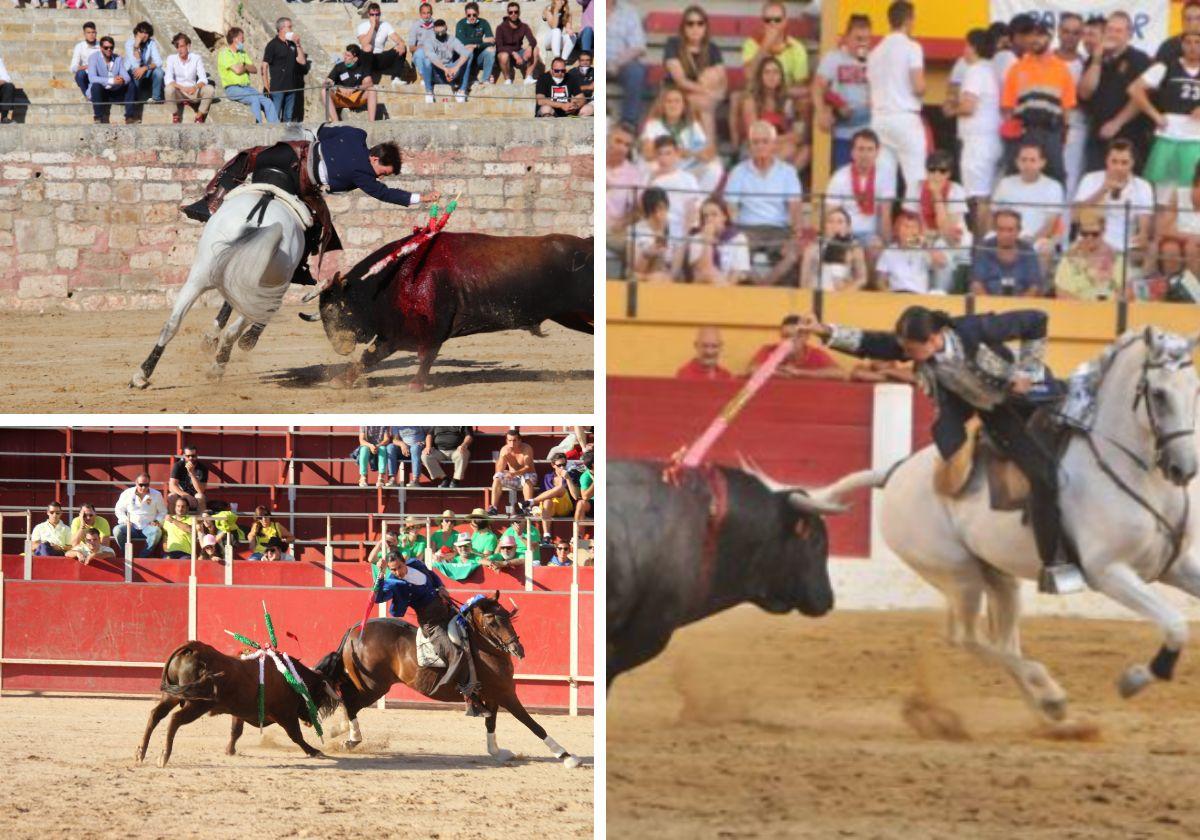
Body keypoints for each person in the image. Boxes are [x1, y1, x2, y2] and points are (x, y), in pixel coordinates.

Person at [805, 305, 1074, 593]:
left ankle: (1059, 554)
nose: (907, 355)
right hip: (997, 416)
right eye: (904, 348)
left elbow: (1036, 320)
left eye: (912, 348)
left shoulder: (974, 329)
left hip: (1030, 399)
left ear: (935, 338)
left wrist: (1028, 373)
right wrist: (826, 331)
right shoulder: (917, 348)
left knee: (1059, 455)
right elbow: (870, 342)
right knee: (1038, 474)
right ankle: (1052, 563)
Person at [373, 550, 484, 714]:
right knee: (455, 654)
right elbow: (378, 597)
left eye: (399, 567)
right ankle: (467, 695)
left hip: (448, 610)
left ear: (404, 561)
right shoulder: (394, 582)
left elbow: (432, 575)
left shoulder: (415, 564)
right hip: (432, 624)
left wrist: (441, 587)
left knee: (474, 636)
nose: (397, 572)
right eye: (393, 569)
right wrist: (381, 574)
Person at [999, 18, 1075, 183]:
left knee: (1056, 174)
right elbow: (1008, 107)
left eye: (1040, 35)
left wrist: (1064, 133)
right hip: (1024, 131)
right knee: (1016, 175)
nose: (1035, 39)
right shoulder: (1017, 68)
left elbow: (1067, 107)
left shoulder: (1061, 69)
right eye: (1032, 35)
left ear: (1049, 37)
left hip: (1052, 131)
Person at [1077, 12, 1153, 172]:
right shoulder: (1094, 58)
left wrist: (1117, 123)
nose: (1112, 34)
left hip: (1130, 134)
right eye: (1109, 29)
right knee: (1095, 182)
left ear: (1129, 34)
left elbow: (1143, 97)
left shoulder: (1139, 59)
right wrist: (1097, 59)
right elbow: (1085, 93)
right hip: (1097, 134)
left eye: (1118, 31)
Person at [1128, 30, 1200, 195]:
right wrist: (1155, 115)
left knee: (1191, 196)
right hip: (1168, 137)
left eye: (1197, 42)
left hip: (1196, 140)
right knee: (1163, 196)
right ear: (1182, 45)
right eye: (1188, 42)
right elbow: (1134, 89)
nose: (1193, 47)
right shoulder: (1166, 66)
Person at [866, 0, 926, 194]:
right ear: (908, 20)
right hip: (904, 118)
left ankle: (882, 223)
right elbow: (918, 86)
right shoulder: (912, 47)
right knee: (915, 180)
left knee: (883, 182)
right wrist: (924, 90)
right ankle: (913, 223)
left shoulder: (874, 53)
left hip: (879, 119)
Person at [723, 120, 803, 260]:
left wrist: (793, 234)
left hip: (779, 229)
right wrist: (737, 231)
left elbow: (795, 207)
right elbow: (731, 207)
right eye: (756, 142)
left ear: (774, 145)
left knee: (791, 254)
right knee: (735, 251)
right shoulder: (738, 171)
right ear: (750, 146)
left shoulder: (788, 172)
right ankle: (758, 281)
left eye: (765, 142)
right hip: (747, 227)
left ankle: (764, 281)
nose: (760, 146)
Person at [904, 149, 973, 290]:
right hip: (922, 239)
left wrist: (937, 196)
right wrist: (929, 248)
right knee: (909, 248)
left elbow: (949, 236)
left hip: (954, 241)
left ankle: (939, 296)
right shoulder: (915, 187)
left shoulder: (956, 190)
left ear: (949, 173)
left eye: (942, 171)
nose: (936, 175)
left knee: (943, 256)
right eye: (932, 170)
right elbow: (909, 229)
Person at [1074, 139, 1154, 257]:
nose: (1118, 167)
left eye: (1124, 162)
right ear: (1107, 160)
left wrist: (1142, 237)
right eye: (1114, 162)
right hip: (1092, 240)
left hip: (1126, 245)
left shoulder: (1143, 186)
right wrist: (1103, 190)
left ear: (1132, 163)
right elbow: (1075, 217)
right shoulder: (1090, 179)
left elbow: (1144, 226)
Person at [813, 14, 873, 170]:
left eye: (866, 39)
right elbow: (817, 87)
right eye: (858, 39)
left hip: (869, 129)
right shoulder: (834, 58)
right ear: (846, 37)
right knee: (843, 177)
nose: (863, 44)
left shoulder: (874, 59)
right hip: (843, 129)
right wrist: (821, 112)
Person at [952, 29, 1002, 208]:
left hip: (977, 143)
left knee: (977, 199)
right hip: (990, 140)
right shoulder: (991, 70)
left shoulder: (974, 71)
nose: (964, 49)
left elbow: (968, 107)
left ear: (974, 47)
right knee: (986, 197)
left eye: (966, 45)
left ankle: (979, 237)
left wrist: (951, 110)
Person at [988, 142, 1065, 260]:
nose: (1027, 164)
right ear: (1017, 162)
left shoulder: (1053, 187)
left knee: (1044, 248)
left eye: (1032, 160)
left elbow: (1051, 223)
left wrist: (1029, 241)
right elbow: (993, 215)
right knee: (986, 245)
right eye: (1023, 160)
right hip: (1005, 235)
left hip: (1037, 238)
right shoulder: (1005, 183)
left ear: (1042, 163)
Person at [824, 127, 896, 249]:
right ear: (852, 152)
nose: (865, 154)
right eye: (861, 149)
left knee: (876, 247)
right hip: (844, 233)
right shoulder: (839, 176)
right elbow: (830, 214)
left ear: (877, 152)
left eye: (870, 149)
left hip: (870, 234)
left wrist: (887, 246)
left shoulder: (885, 175)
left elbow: (885, 215)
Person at [641, 87, 723, 194]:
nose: (673, 105)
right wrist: (670, 154)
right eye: (669, 101)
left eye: (677, 101)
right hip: (663, 167)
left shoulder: (693, 126)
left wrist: (690, 153)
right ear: (663, 106)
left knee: (715, 168)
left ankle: (698, 204)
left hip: (688, 168)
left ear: (684, 106)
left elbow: (708, 154)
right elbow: (647, 154)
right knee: (651, 166)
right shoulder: (653, 125)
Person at [663, 5, 727, 137]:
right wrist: (708, 92)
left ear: (705, 27)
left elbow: (722, 79)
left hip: (705, 95)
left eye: (700, 23)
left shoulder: (712, 48)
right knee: (701, 103)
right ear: (683, 27)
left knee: (705, 98)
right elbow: (680, 80)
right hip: (677, 91)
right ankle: (707, 150)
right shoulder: (673, 44)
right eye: (690, 24)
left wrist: (718, 94)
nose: (695, 28)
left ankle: (704, 148)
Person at [737, 56, 807, 171]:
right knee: (790, 148)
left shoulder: (783, 96)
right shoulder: (750, 100)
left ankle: (780, 183)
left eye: (776, 72)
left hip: (777, 145)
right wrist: (789, 137)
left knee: (806, 151)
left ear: (781, 77)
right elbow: (755, 137)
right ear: (760, 76)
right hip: (754, 147)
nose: (772, 77)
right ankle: (764, 181)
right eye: (767, 72)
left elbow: (807, 91)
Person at [970, 209, 1044, 296]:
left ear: (1018, 230)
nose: (1005, 234)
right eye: (1001, 229)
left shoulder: (1027, 250)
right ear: (995, 230)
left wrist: (1020, 305)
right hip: (989, 304)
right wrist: (990, 304)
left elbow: (1035, 286)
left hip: (1022, 305)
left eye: (1010, 230)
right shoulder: (984, 249)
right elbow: (976, 284)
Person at [1054, 209, 1124, 300]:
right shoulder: (1070, 258)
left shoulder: (1117, 256)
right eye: (1084, 234)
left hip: (1110, 309)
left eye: (1095, 234)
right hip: (1078, 310)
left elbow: (1126, 289)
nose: (1089, 238)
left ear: (1103, 231)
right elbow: (1061, 292)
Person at [745, 315, 842, 379]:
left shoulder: (815, 353)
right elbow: (752, 369)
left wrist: (800, 373)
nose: (790, 341)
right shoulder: (769, 350)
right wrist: (781, 374)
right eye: (786, 336)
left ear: (806, 336)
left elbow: (839, 373)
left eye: (797, 337)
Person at [741, 1, 809, 94]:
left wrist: (779, 92)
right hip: (758, 95)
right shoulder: (751, 43)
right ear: (762, 21)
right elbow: (749, 75)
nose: (772, 23)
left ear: (785, 21)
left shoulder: (796, 47)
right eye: (767, 20)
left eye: (777, 19)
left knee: (803, 102)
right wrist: (765, 45)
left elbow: (800, 84)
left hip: (786, 95)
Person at [1056, 13, 1089, 199]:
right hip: (1046, 126)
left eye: (1076, 32)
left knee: (1070, 179)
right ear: (1058, 32)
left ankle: (1065, 228)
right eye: (1066, 31)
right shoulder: (1045, 60)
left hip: (1075, 126)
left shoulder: (1085, 63)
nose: (1070, 36)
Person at [647, 136, 700, 250]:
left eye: (668, 153)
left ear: (677, 154)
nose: (663, 158)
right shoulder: (650, 178)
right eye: (660, 154)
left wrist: (684, 236)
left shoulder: (688, 178)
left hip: (681, 228)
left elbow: (691, 210)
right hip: (657, 228)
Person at [684, 196, 751, 285]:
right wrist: (707, 241)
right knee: (709, 273)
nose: (709, 219)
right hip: (702, 288)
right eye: (705, 216)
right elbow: (704, 269)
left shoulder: (738, 238)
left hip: (728, 289)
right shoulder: (697, 238)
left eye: (714, 214)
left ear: (724, 216)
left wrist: (725, 289)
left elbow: (737, 273)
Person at [875, 210, 945, 293]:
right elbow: (880, 281)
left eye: (914, 227)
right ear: (897, 229)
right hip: (896, 295)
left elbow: (942, 263)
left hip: (919, 296)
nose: (909, 231)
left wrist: (926, 246)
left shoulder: (923, 250)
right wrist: (889, 295)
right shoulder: (889, 252)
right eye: (906, 226)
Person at [800, 207, 868, 291]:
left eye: (840, 222)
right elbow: (803, 282)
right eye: (830, 221)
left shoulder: (855, 249)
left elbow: (862, 279)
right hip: (817, 293)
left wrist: (844, 294)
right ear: (824, 226)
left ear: (848, 227)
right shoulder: (812, 248)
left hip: (844, 294)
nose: (834, 225)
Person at [218, 27, 277, 124]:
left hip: (247, 88)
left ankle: (276, 127)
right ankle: (258, 127)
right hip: (232, 88)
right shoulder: (225, 54)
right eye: (242, 38)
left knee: (268, 102)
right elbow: (237, 71)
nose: (244, 40)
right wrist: (245, 67)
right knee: (254, 99)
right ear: (235, 39)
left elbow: (254, 69)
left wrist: (244, 66)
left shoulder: (242, 53)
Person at [607, 0, 648, 127]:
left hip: (620, 64)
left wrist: (616, 63)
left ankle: (628, 123)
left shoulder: (629, 11)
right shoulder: (587, 9)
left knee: (636, 71)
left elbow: (638, 46)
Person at [261, 16, 309, 123]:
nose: (292, 29)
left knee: (288, 117)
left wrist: (297, 44)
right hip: (278, 88)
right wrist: (266, 85)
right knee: (274, 117)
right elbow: (264, 65)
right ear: (282, 28)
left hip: (291, 87)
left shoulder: (292, 44)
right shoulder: (272, 45)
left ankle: (286, 139)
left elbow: (302, 61)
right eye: (290, 27)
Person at [628, 187, 680, 282]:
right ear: (647, 211)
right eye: (653, 211)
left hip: (666, 276)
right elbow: (635, 269)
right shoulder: (635, 230)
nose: (658, 215)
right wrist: (648, 253)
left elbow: (675, 270)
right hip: (644, 275)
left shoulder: (675, 227)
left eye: (662, 208)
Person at [114, 473, 167, 558]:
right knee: (117, 530)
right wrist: (125, 520)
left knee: (157, 531)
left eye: (146, 485)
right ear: (136, 483)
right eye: (141, 485)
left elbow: (163, 512)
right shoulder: (127, 493)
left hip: (148, 527)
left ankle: (143, 557)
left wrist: (157, 521)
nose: (143, 487)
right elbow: (118, 509)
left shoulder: (156, 494)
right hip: (131, 527)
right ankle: (127, 554)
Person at [164, 32, 213, 124]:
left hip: (193, 91)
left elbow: (203, 79)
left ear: (188, 46)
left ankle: (199, 116)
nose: (179, 50)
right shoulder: (171, 58)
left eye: (182, 46)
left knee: (210, 89)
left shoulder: (196, 58)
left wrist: (194, 87)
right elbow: (168, 79)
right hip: (179, 92)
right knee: (168, 89)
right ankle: (175, 115)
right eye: (178, 47)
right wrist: (183, 88)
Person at [422, 18, 472, 104]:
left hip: (451, 70)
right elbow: (432, 56)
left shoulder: (452, 39)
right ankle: (429, 92)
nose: (440, 34)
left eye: (443, 32)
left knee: (469, 54)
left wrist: (456, 67)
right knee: (426, 60)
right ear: (433, 30)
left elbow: (464, 52)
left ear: (446, 28)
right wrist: (445, 69)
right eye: (438, 33)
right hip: (437, 72)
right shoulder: (429, 40)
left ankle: (462, 91)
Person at [357, 2, 408, 87]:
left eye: (377, 14)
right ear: (368, 15)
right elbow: (364, 43)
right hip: (366, 58)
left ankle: (396, 78)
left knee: (401, 46)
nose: (375, 17)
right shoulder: (362, 26)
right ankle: (367, 78)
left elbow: (399, 40)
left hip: (380, 58)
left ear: (380, 14)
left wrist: (401, 44)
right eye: (372, 14)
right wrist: (372, 26)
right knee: (368, 47)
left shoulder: (385, 25)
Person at [487, 429, 536, 515]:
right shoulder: (504, 450)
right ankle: (493, 508)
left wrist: (514, 473)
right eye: (509, 440)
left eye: (514, 440)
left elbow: (527, 467)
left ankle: (528, 508)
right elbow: (499, 470)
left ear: (519, 440)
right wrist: (502, 458)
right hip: (513, 479)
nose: (512, 443)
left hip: (529, 477)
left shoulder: (526, 448)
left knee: (526, 477)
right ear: (506, 441)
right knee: (497, 477)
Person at [124, 20, 164, 122]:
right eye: (141, 32)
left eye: (146, 33)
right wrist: (136, 47)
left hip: (145, 69)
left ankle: (156, 98)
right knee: (136, 73)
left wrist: (145, 68)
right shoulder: (129, 43)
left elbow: (159, 62)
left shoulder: (151, 43)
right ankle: (136, 99)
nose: (143, 35)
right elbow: (135, 65)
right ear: (136, 33)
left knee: (159, 72)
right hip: (132, 71)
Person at [86, 36, 132, 125]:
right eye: (106, 48)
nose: (109, 50)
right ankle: (98, 117)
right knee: (96, 85)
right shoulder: (93, 58)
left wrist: (121, 79)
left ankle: (129, 116)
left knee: (131, 84)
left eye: (111, 47)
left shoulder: (118, 58)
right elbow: (92, 78)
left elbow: (127, 77)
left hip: (114, 92)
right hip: (101, 94)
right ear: (101, 48)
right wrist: (112, 81)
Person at [325, 44, 377, 122]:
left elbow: (369, 83)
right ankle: (335, 121)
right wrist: (339, 88)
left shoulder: (362, 67)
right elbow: (327, 83)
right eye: (345, 54)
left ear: (355, 59)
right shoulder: (339, 67)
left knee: (372, 90)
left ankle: (371, 122)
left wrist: (355, 89)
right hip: (341, 98)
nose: (345, 57)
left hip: (356, 98)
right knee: (324, 91)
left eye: (348, 56)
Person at [496, 1, 539, 85]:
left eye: (516, 12)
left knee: (536, 50)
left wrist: (530, 47)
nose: (513, 14)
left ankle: (528, 77)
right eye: (510, 12)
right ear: (508, 13)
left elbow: (533, 40)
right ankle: (507, 79)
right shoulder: (500, 27)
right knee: (503, 55)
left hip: (519, 51)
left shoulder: (524, 26)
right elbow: (499, 46)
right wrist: (513, 53)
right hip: (506, 53)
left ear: (519, 13)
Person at [456, 2, 495, 89]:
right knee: (468, 48)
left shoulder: (483, 23)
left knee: (491, 50)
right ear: (466, 14)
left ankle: (486, 79)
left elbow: (491, 41)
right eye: (469, 15)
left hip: (479, 56)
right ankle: (471, 77)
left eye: (474, 14)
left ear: (478, 13)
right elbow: (460, 41)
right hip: (466, 56)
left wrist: (476, 45)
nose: (472, 17)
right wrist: (482, 40)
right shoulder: (461, 24)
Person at [168, 443, 211, 511]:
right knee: (172, 496)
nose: (191, 458)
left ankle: (200, 521)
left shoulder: (202, 468)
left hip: (195, 497)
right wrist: (186, 496)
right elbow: (172, 485)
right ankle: (171, 520)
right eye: (188, 456)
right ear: (184, 456)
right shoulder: (178, 466)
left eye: (193, 456)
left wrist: (192, 473)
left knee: (201, 496)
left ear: (197, 455)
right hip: (181, 495)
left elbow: (201, 490)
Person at [1157, 0, 1200, 64]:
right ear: (1182, 21)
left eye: (1198, 19)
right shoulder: (1168, 47)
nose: (1193, 23)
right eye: (1188, 19)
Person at [69, 20, 101, 100]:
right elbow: (73, 67)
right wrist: (85, 67)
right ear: (84, 34)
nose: (91, 35)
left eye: (93, 32)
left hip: (99, 73)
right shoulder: (80, 46)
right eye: (88, 32)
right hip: (86, 74)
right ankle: (88, 97)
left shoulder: (101, 45)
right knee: (80, 75)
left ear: (96, 33)